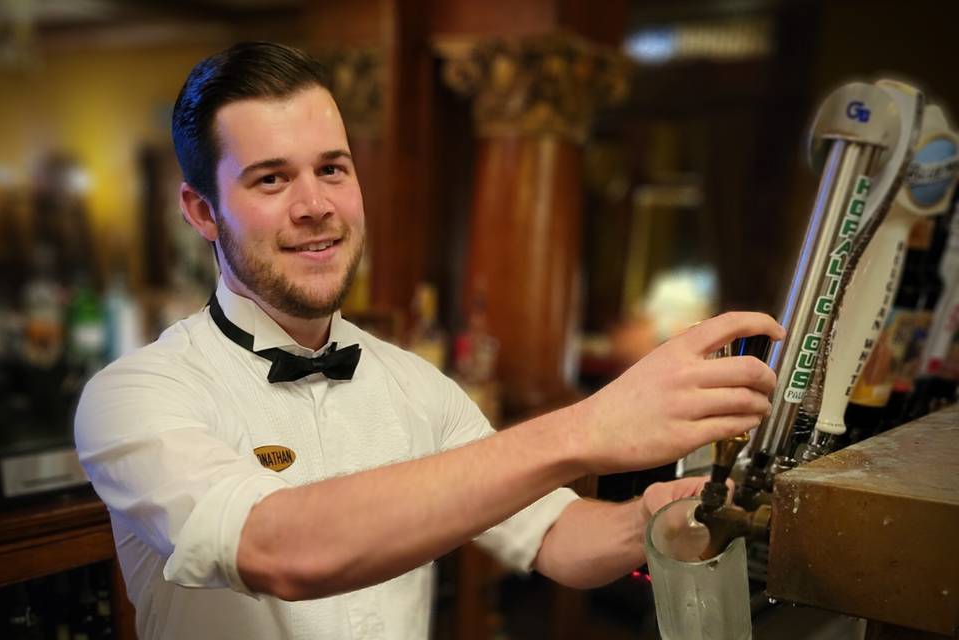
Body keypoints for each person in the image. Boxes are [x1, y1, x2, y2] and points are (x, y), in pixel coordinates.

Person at [74, 42, 784, 640]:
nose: (316, 205)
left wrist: (655, 520)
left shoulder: (416, 385)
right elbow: (277, 547)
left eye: (332, 168)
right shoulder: (134, 396)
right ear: (201, 210)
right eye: (271, 179)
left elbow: (557, 539)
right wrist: (591, 425)